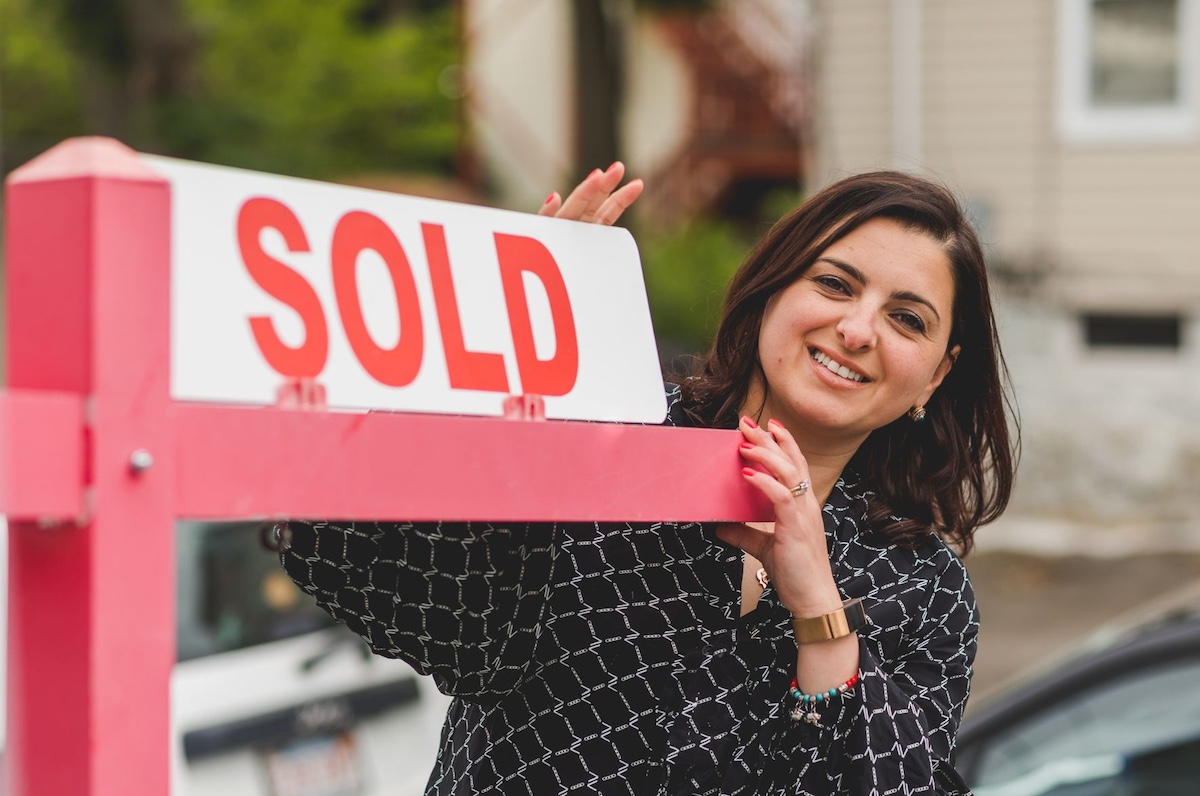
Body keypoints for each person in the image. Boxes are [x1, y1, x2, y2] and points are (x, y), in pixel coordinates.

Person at [278, 164, 1016, 795]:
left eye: (908, 320)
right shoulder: (608, 438)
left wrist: (818, 609)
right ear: (771, 291)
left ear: (937, 376)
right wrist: (507, 357)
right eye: (833, 283)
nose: (858, 330)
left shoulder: (924, 591)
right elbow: (347, 547)